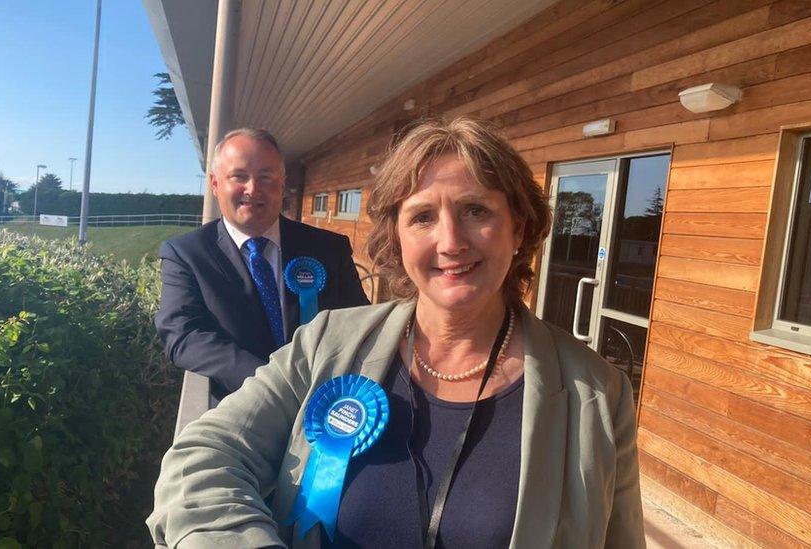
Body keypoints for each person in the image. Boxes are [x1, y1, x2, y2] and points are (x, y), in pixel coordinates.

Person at [148, 118, 644, 548]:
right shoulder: (326, 346)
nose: (450, 241)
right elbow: (199, 463)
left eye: (477, 210)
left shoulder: (597, 395)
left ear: (519, 228)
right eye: (423, 216)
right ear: (397, 237)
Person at [154, 128, 370, 406]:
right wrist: (270, 381)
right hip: (243, 408)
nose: (253, 188)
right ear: (215, 184)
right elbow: (183, 334)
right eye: (239, 176)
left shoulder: (329, 248)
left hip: (328, 406)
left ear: (282, 185)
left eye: (266, 177)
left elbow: (359, 322)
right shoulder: (186, 254)